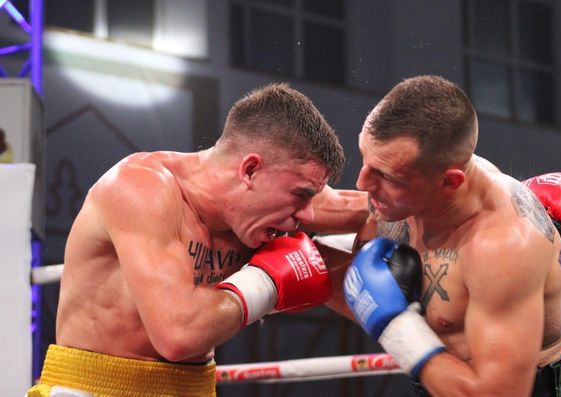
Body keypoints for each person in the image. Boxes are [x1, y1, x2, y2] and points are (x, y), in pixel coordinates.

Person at [28, 83, 346, 397]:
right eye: (300, 195)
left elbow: (380, 208)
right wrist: (265, 283)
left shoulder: (264, 215)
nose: (306, 216)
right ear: (250, 170)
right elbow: (179, 336)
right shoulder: (141, 188)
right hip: (92, 389)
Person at [338, 75, 561, 397]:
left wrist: (397, 329)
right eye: (366, 160)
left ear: (450, 182)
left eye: (386, 175)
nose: (363, 183)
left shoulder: (503, 247)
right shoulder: (409, 188)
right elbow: (360, 285)